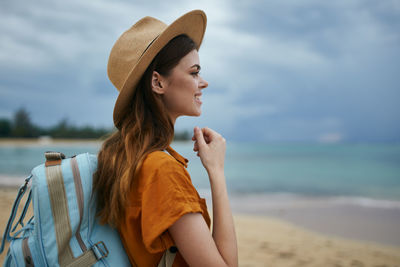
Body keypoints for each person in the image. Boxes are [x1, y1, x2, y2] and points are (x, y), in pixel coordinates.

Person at [93, 10, 238, 267]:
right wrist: (216, 171)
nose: (203, 82)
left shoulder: (127, 157)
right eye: (194, 73)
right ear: (158, 83)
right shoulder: (162, 170)